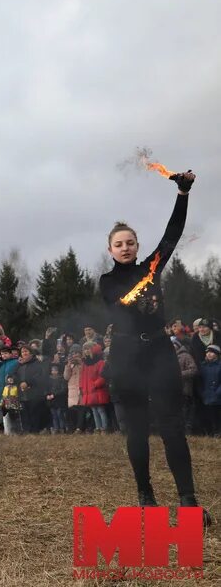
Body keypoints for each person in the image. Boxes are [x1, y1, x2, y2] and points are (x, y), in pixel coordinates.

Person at [99, 170, 210, 524]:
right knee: (136, 431)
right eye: (119, 244)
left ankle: (188, 500)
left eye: (130, 242)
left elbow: (172, 235)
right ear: (111, 250)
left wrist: (183, 193)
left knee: (172, 427)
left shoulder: (153, 266)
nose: (126, 247)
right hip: (127, 357)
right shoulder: (107, 281)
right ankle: (146, 496)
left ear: (136, 244)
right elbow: (119, 306)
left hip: (160, 353)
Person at [79, 342, 108, 434]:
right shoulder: (85, 363)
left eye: (88, 349)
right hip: (88, 390)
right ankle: (98, 428)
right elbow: (82, 377)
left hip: (97, 389)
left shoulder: (100, 362)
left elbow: (103, 376)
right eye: (85, 349)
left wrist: (95, 384)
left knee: (100, 410)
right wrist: (82, 387)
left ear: (94, 350)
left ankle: (104, 428)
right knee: (94, 410)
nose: (86, 351)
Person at [198, 345, 221, 436]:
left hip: (217, 396)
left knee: (217, 415)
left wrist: (218, 392)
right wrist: (201, 392)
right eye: (207, 352)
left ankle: (218, 431)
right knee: (208, 415)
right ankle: (210, 432)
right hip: (206, 396)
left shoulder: (219, 366)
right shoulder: (203, 366)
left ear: (217, 354)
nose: (209, 354)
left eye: (211, 352)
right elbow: (199, 381)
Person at [45, 364, 68, 434]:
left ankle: (62, 428)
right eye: (52, 370)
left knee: (60, 415)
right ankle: (56, 428)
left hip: (59, 400)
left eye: (55, 370)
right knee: (54, 415)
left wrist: (54, 395)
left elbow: (63, 390)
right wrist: (47, 395)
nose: (54, 372)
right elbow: (46, 389)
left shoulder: (61, 379)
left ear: (57, 371)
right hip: (51, 401)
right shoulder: (48, 380)